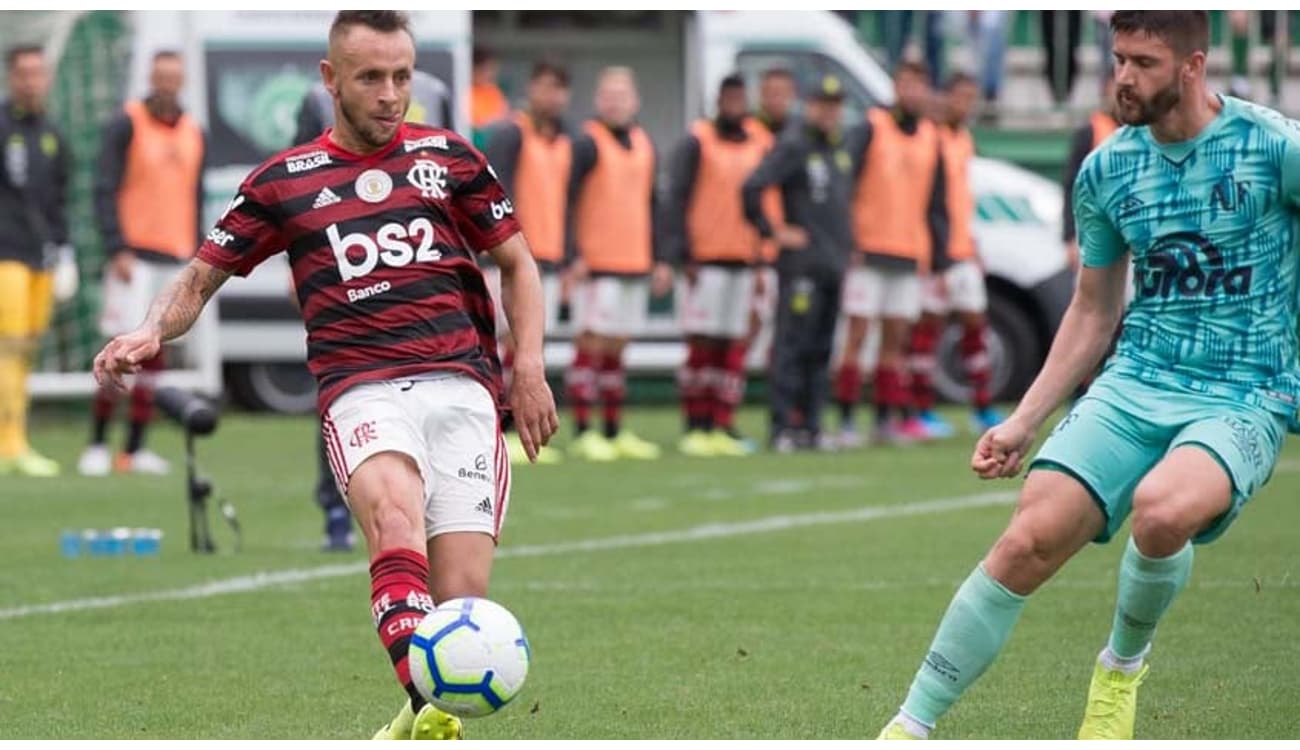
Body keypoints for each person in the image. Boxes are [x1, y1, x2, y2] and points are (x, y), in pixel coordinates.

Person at [93, 11, 557, 740]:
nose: (389, 94)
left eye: (401, 76)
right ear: (330, 79)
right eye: (371, 77)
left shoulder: (452, 158)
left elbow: (519, 263)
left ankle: (414, 721)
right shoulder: (284, 182)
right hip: (362, 387)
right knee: (394, 518)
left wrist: (528, 367)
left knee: (460, 608)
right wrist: (151, 329)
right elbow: (199, 277)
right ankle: (437, 713)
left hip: (464, 387)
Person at [878, 11, 1300, 740]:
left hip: (1245, 390)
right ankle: (908, 727)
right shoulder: (1107, 168)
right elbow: (1092, 309)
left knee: (1163, 510)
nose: (1123, 78)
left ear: (1193, 66)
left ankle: (1120, 671)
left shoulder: (1274, 148)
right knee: (1027, 539)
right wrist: (1024, 419)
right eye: (1118, 60)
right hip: (1135, 379)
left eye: (1142, 63)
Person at [292, 65, 454, 551]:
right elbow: (297, 181)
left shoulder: (435, 92)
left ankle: (431, 512)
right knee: (345, 393)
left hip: (417, 269)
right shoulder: (317, 99)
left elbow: (451, 179)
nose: (389, 96)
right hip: (346, 268)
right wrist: (295, 260)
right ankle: (335, 514)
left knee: (429, 401)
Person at [79, 50, 205, 477]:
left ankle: (133, 449)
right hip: (133, 257)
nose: (167, 84)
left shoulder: (193, 132)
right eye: (161, 77)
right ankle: (96, 442)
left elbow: (196, 196)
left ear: (181, 80)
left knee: (156, 358)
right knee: (118, 350)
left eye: (174, 77)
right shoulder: (127, 123)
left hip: (175, 258)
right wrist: (116, 247)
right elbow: (104, 186)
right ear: (151, 78)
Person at [834, 60, 947, 448]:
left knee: (895, 339)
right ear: (895, 87)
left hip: (909, 249)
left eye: (919, 85)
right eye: (905, 84)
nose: (912, 92)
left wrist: (938, 256)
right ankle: (846, 419)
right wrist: (846, 240)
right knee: (858, 334)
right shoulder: (871, 127)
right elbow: (843, 182)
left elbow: (937, 202)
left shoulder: (932, 136)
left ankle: (885, 418)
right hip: (867, 248)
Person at [564, 66, 671, 462]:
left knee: (618, 348)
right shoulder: (586, 143)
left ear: (636, 101)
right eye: (608, 94)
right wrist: (573, 254)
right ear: (597, 101)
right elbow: (568, 200)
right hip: (597, 262)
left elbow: (653, 203)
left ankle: (613, 429)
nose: (616, 101)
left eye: (622, 94)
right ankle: (583, 429)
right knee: (590, 342)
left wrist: (660, 257)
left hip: (634, 259)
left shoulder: (645, 144)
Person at [662, 74, 773, 457]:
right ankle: (696, 424)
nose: (735, 105)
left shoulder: (759, 143)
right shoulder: (698, 141)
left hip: (743, 258)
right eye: (729, 98)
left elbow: (764, 203)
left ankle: (723, 423)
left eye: (740, 98)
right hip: (705, 260)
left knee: (733, 346)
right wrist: (682, 253)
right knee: (702, 344)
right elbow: (677, 196)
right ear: (718, 101)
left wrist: (762, 255)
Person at [742, 75, 854, 452]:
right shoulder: (794, 144)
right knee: (792, 345)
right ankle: (782, 426)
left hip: (831, 264)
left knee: (821, 348)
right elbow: (752, 186)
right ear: (809, 107)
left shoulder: (837, 149)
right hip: (802, 267)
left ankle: (811, 425)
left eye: (835, 105)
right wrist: (773, 231)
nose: (829, 112)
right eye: (822, 104)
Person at [484, 59, 572, 466]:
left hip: (548, 257)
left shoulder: (565, 141)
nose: (549, 96)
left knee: (528, 346)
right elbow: (493, 195)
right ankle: (500, 433)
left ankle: (518, 432)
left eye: (557, 88)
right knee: (506, 344)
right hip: (510, 258)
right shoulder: (510, 134)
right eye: (543, 86)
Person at [907, 72, 1001, 439]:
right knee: (927, 328)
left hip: (963, 248)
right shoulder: (930, 137)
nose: (964, 105)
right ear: (944, 98)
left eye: (970, 98)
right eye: (958, 97)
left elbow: (961, 197)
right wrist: (934, 250)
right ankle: (921, 407)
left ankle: (981, 404)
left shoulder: (963, 139)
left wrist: (972, 243)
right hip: (936, 251)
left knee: (975, 323)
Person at [0, 45, 71, 477]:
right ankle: (10, 444)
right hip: (4, 254)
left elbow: (59, 201)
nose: (31, 81)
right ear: (12, 78)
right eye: (23, 74)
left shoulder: (53, 134)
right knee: (7, 347)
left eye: (37, 73)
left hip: (40, 258)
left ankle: (16, 438)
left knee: (26, 349)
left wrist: (64, 252)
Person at [1062, 76, 1119, 271]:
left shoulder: (1142, 132)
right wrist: (1070, 236)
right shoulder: (1091, 131)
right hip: (1095, 235)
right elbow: (1072, 185)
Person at [470, 45, 509, 146]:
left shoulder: (494, 92)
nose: (491, 74)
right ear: (475, 69)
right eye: (487, 69)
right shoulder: (465, 93)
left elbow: (505, 117)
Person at [755, 66, 797, 138]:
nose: (776, 98)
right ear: (761, 93)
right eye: (771, 92)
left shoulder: (806, 131)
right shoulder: (746, 128)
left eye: (782, 92)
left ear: (792, 94)